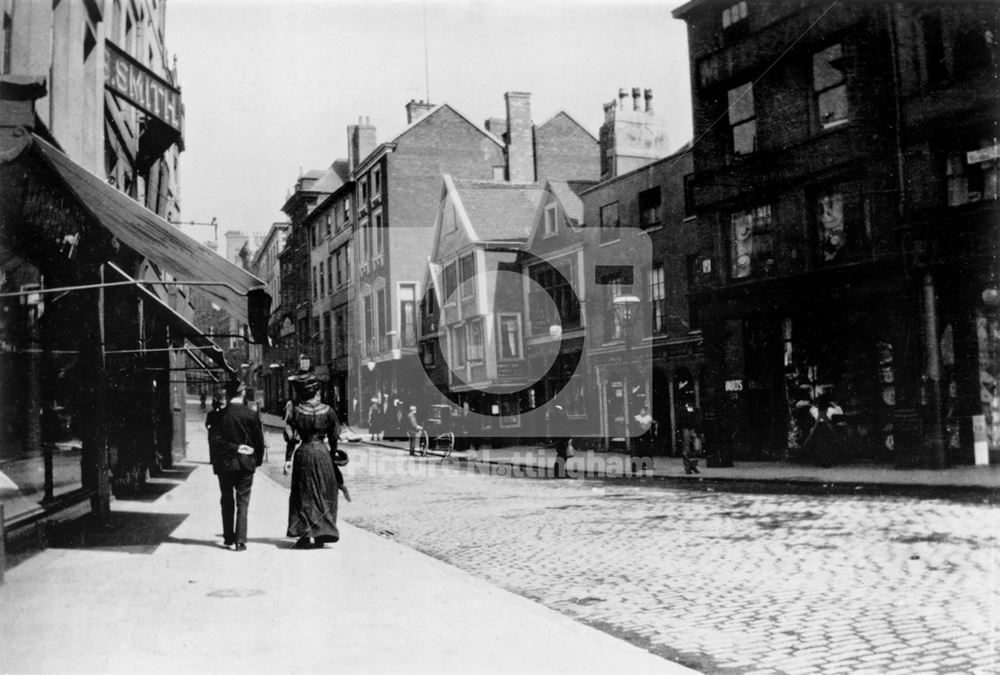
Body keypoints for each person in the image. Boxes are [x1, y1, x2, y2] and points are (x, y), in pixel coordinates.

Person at [283, 373, 349, 549]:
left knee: (303, 493)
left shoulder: (295, 411)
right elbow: (334, 437)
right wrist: (334, 454)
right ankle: (323, 532)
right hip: (322, 454)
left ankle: (304, 535)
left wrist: (288, 459)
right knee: (325, 490)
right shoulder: (328, 411)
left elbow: (291, 439)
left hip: (303, 453)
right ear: (316, 392)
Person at [207, 379, 265, 551]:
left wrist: (233, 447)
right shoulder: (251, 414)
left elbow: (214, 440)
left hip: (225, 464)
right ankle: (240, 541)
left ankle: (228, 537)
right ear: (243, 393)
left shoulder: (219, 415)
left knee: (226, 499)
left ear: (228, 394)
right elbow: (258, 442)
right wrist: (257, 459)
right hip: (246, 464)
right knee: (243, 502)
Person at [801, 390, 847, 467]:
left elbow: (810, 412)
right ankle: (827, 461)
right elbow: (840, 412)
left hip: (818, 428)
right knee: (829, 445)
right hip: (828, 428)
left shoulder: (814, 410)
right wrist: (834, 404)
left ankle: (821, 460)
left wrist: (815, 404)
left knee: (819, 444)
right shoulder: (830, 410)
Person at [678, 402, 701, 474]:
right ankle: (689, 466)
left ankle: (691, 465)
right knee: (688, 449)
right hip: (688, 428)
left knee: (695, 448)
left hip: (692, 428)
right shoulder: (691, 409)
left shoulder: (693, 409)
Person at [549, 404, 571, 478]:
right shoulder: (558, 415)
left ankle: (558, 472)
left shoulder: (556, 415)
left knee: (561, 455)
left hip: (561, 438)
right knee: (562, 455)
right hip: (561, 439)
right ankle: (559, 472)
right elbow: (562, 427)